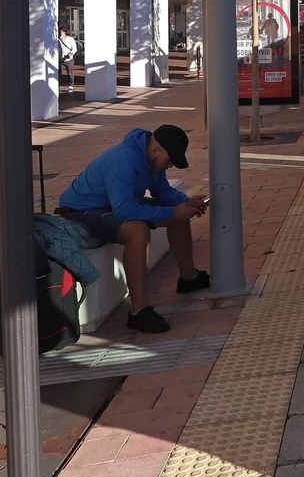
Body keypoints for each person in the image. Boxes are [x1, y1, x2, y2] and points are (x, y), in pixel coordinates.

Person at [56, 124, 209, 333]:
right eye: (170, 160)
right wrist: (174, 212)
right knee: (137, 230)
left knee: (178, 212)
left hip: (111, 206)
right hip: (79, 213)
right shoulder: (124, 160)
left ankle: (189, 278)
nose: (170, 165)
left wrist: (187, 203)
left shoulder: (151, 158)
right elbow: (125, 211)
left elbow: (163, 192)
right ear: (155, 150)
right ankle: (139, 311)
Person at [59, 27, 78, 97]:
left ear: (64, 32)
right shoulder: (57, 40)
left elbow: (74, 48)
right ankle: (58, 85)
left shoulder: (70, 39)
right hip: (60, 59)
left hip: (69, 59)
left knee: (70, 73)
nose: (59, 34)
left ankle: (71, 85)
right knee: (59, 73)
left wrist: (70, 53)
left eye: (60, 32)